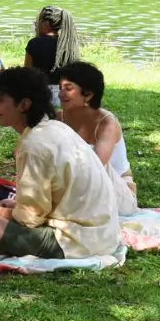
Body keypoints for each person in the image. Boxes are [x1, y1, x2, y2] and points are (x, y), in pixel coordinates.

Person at [0, 67, 120, 260]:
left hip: (75, 241)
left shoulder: (35, 144)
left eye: (1, 100)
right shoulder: (55, 128)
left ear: (24, 104)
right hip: (102, 235)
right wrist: (3, 209)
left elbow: (29, 220)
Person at [54, 62, 138, 215]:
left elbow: (96, 167)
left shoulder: (107, 123)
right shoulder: (58, 119)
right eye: (60, 88)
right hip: (80, 192)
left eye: (68, 88)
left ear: (88, 94)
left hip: (119, 195)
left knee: (89, 159)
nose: (61, 93)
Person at [25, 6, 82, 102]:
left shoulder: (34, 43)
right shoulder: (68, 45)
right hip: (64, 95)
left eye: (38, 22)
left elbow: (26, 74)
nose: (36, 25)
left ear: (46, 24)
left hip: (40, 95)